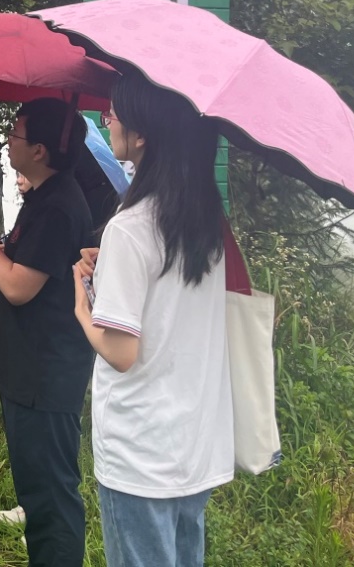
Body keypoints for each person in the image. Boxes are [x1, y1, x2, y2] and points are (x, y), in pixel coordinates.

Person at [73, 73, 232, 567]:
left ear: (141, 134)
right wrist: (114, 268)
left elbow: (122, 353)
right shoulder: (205, 222)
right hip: (194, 444)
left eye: (113, 112)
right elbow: (168, 303)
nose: (107, 120)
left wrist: (83, 309)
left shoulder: (130, 228)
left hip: (140, 453)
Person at [0, 98, 95, 567]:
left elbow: (19, 286)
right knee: (37, 491)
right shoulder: (43, 197)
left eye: (15, 134)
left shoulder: (58, 205)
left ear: (39, 150)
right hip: (29, 369)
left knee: (51, 496)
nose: (7, 142)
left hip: (45, 374)